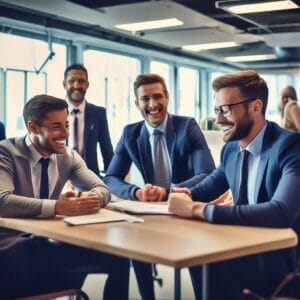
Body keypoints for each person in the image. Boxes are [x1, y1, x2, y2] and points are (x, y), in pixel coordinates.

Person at [168, 70, 300, 299]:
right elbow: (206, 188)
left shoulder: (290, 146)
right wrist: (180, 193)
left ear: (256, 107)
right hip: (243, 249)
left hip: (283, 260)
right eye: (217, 110)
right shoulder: (231, 149)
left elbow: (281, 212)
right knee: (200, 254)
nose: (218, 120)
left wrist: (197, 209)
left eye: (226, 110)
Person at [0, 95, 129, 299]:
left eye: (66, 125)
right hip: (10, 245)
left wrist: (89, 199)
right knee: (28, 252)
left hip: (44, 242)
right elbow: (2, 201)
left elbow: (102, 188)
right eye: (56, 127)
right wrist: (59, 207)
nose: (65, 133)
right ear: (33, 128)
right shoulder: (6, 152)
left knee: (119, 258)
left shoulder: (68, 156)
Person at [104, 73, 215, 300]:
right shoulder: (129, 133)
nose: (152, 104)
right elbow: (111, 177)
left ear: (167, 98)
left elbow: (206, 173)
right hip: (150, 211)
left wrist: (167, 191)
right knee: (136, 243)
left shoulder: (187, 127)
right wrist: (136, 192)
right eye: (145, 99)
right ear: (137, 104)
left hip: (186, 208)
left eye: (158, 97)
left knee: (199, 265)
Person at [63, 63, 113, 176]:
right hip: (60, 179)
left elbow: (106, 148)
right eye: (71, 81)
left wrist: (112, 179)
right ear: (64, 84)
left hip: (90, 177)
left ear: (87, 84)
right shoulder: (54, 111)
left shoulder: (99, 113)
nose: (76, 86)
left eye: (81, 81)